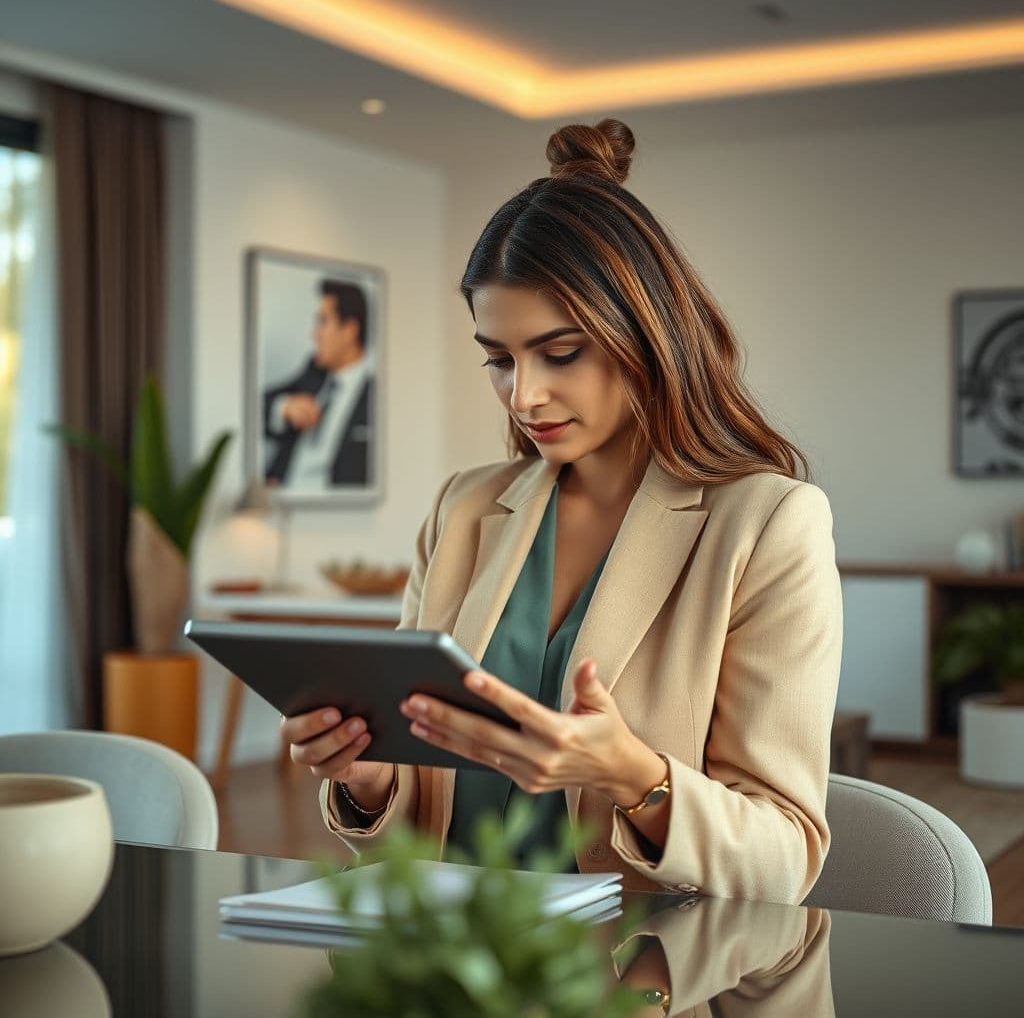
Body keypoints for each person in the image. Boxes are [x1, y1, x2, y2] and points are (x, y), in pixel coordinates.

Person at [282, 119, 842, 904]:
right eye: (499, 359)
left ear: (648, 334)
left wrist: (630, 775)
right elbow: (411, 832)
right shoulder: (463, 508)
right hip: (454, 964)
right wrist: (370, 781)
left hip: (641, 973)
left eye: (561, 353)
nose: (525, 394)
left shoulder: (768, 525)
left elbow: (784, 859)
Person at [263, 278, 374, 489]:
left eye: (323, 321)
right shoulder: (313, 374)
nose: (314, 333)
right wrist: (285, 407)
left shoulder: (375, 394)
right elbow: (257, 405)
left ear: (350, 330)